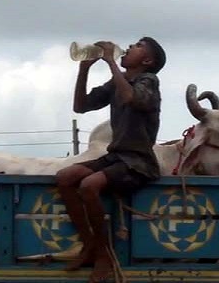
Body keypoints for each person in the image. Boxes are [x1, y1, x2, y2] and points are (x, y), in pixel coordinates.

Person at [55, 37, 166, 282]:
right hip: (116, 157)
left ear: (147, 61)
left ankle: (105, 254)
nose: (127, 48)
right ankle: (90, 246)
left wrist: (110, 63)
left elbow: (130, 98)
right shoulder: (118, 82)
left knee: (89, 185)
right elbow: (80, 106)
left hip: (139, 163)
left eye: (137, 46)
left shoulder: (149, 81)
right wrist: (83, 69)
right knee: (65, 177)